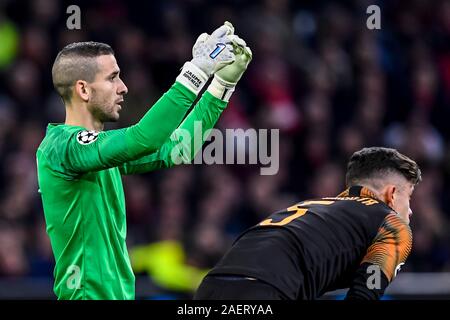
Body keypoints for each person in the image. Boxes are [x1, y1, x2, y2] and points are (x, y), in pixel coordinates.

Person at [36, 22, 252, 300]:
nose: (123, 87)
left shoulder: (99, 153)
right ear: (84, 89)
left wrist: (221, 85)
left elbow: (179, 148)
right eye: (112, 78)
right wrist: (195, 71)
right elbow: (144, 138)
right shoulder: (61, 146)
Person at [194, 147, 421, 300]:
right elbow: (365, 294)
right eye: (409, 197)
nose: (410, 210)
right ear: (391, 194)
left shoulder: (312, 206)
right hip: (266, 290)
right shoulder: (391, 223)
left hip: (210, 286)